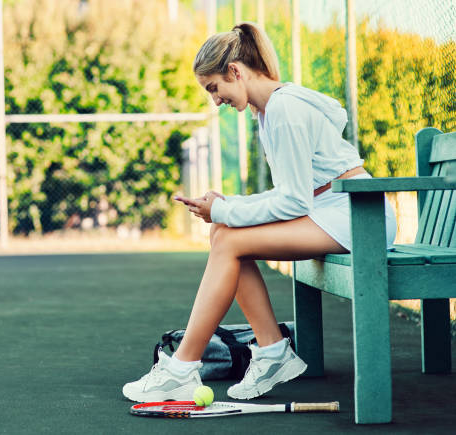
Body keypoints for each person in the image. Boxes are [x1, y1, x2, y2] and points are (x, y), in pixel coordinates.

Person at [122, 22, 397, 403]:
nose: (215, 100)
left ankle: (183, 368)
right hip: (331, 209)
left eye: (214, 88)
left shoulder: (284, 109)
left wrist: (225, 208)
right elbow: (289, 194)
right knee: (223, 234)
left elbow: (295, 203)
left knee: (228, 236)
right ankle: (270, 352)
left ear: (235, 71)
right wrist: (224, 208)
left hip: (357, 216)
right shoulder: (269, 112)